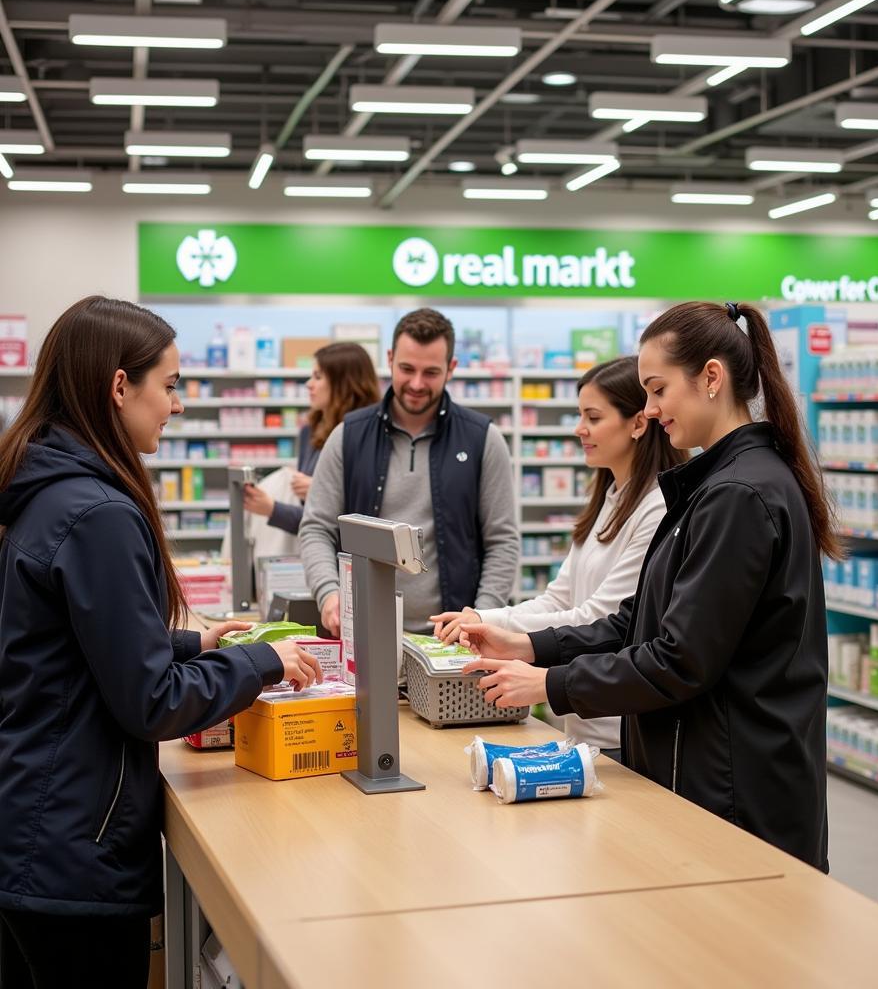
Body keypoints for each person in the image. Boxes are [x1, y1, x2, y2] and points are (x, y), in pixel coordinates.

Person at [0, 296, 323, 989]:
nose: (175, 406)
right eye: (170, 386)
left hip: (35, 824)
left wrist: (189, 642)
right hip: (73, 846)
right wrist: (261, 660)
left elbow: (69, 647)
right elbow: (152, 704)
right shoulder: (98, 513)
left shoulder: (48, 488)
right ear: (121, 386)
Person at [460, 301, 840, 869]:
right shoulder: (718, 484)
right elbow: (640, 617)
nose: (652, 408)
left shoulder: (738, 496)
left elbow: (679, 659)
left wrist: (548, 684)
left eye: (658, 389)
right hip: (718, 777)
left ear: (711, 378)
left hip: (737, 794)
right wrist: (529, 646)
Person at [430, 356, 684, 755]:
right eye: (579, 415)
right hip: (582, 726)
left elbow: (603, 617)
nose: (580, 429)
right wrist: (484, 619)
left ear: (638, 423)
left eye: (593, 417)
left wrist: (515, 639)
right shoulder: (610, 499)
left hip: (621, 729)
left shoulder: (656, 509)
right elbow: (559, 599)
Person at [299, 308, 518, 635]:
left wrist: (480, 617)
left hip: (453, 643)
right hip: (365, 632)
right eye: (406, 369)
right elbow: (317, 528)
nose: (416, 384)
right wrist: (328, 594)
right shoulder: (349, 435)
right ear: (389, 359)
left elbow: (502, 541)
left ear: (451, 368)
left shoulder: (482, 438)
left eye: (431, 372)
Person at [242, 341, 380, 535]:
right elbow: (312, 520)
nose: (308, 384)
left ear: (344, 383)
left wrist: (275, 509)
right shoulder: (310, 431)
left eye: (318, 377)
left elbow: (362, 524)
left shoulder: (368, 437)